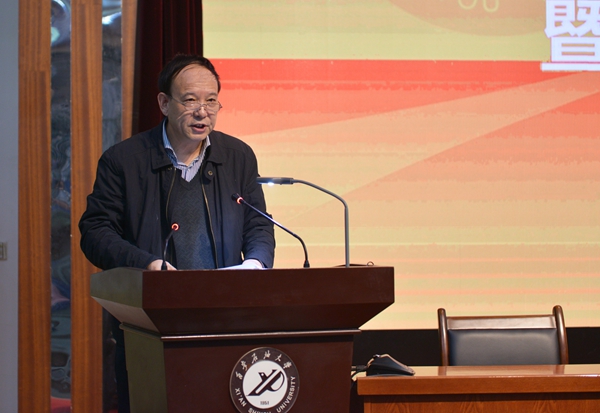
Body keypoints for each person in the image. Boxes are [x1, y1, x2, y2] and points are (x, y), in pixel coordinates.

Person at [79, 54, 275, 412]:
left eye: (211, 101)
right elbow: (95, 232)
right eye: (190, 100)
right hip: (149, 325)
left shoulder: (238, 156)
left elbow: (258, 223)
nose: (202, 112)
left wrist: (256, 265)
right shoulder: (124, 161)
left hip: (225, 323)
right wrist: (147, 264)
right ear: (164, 103)